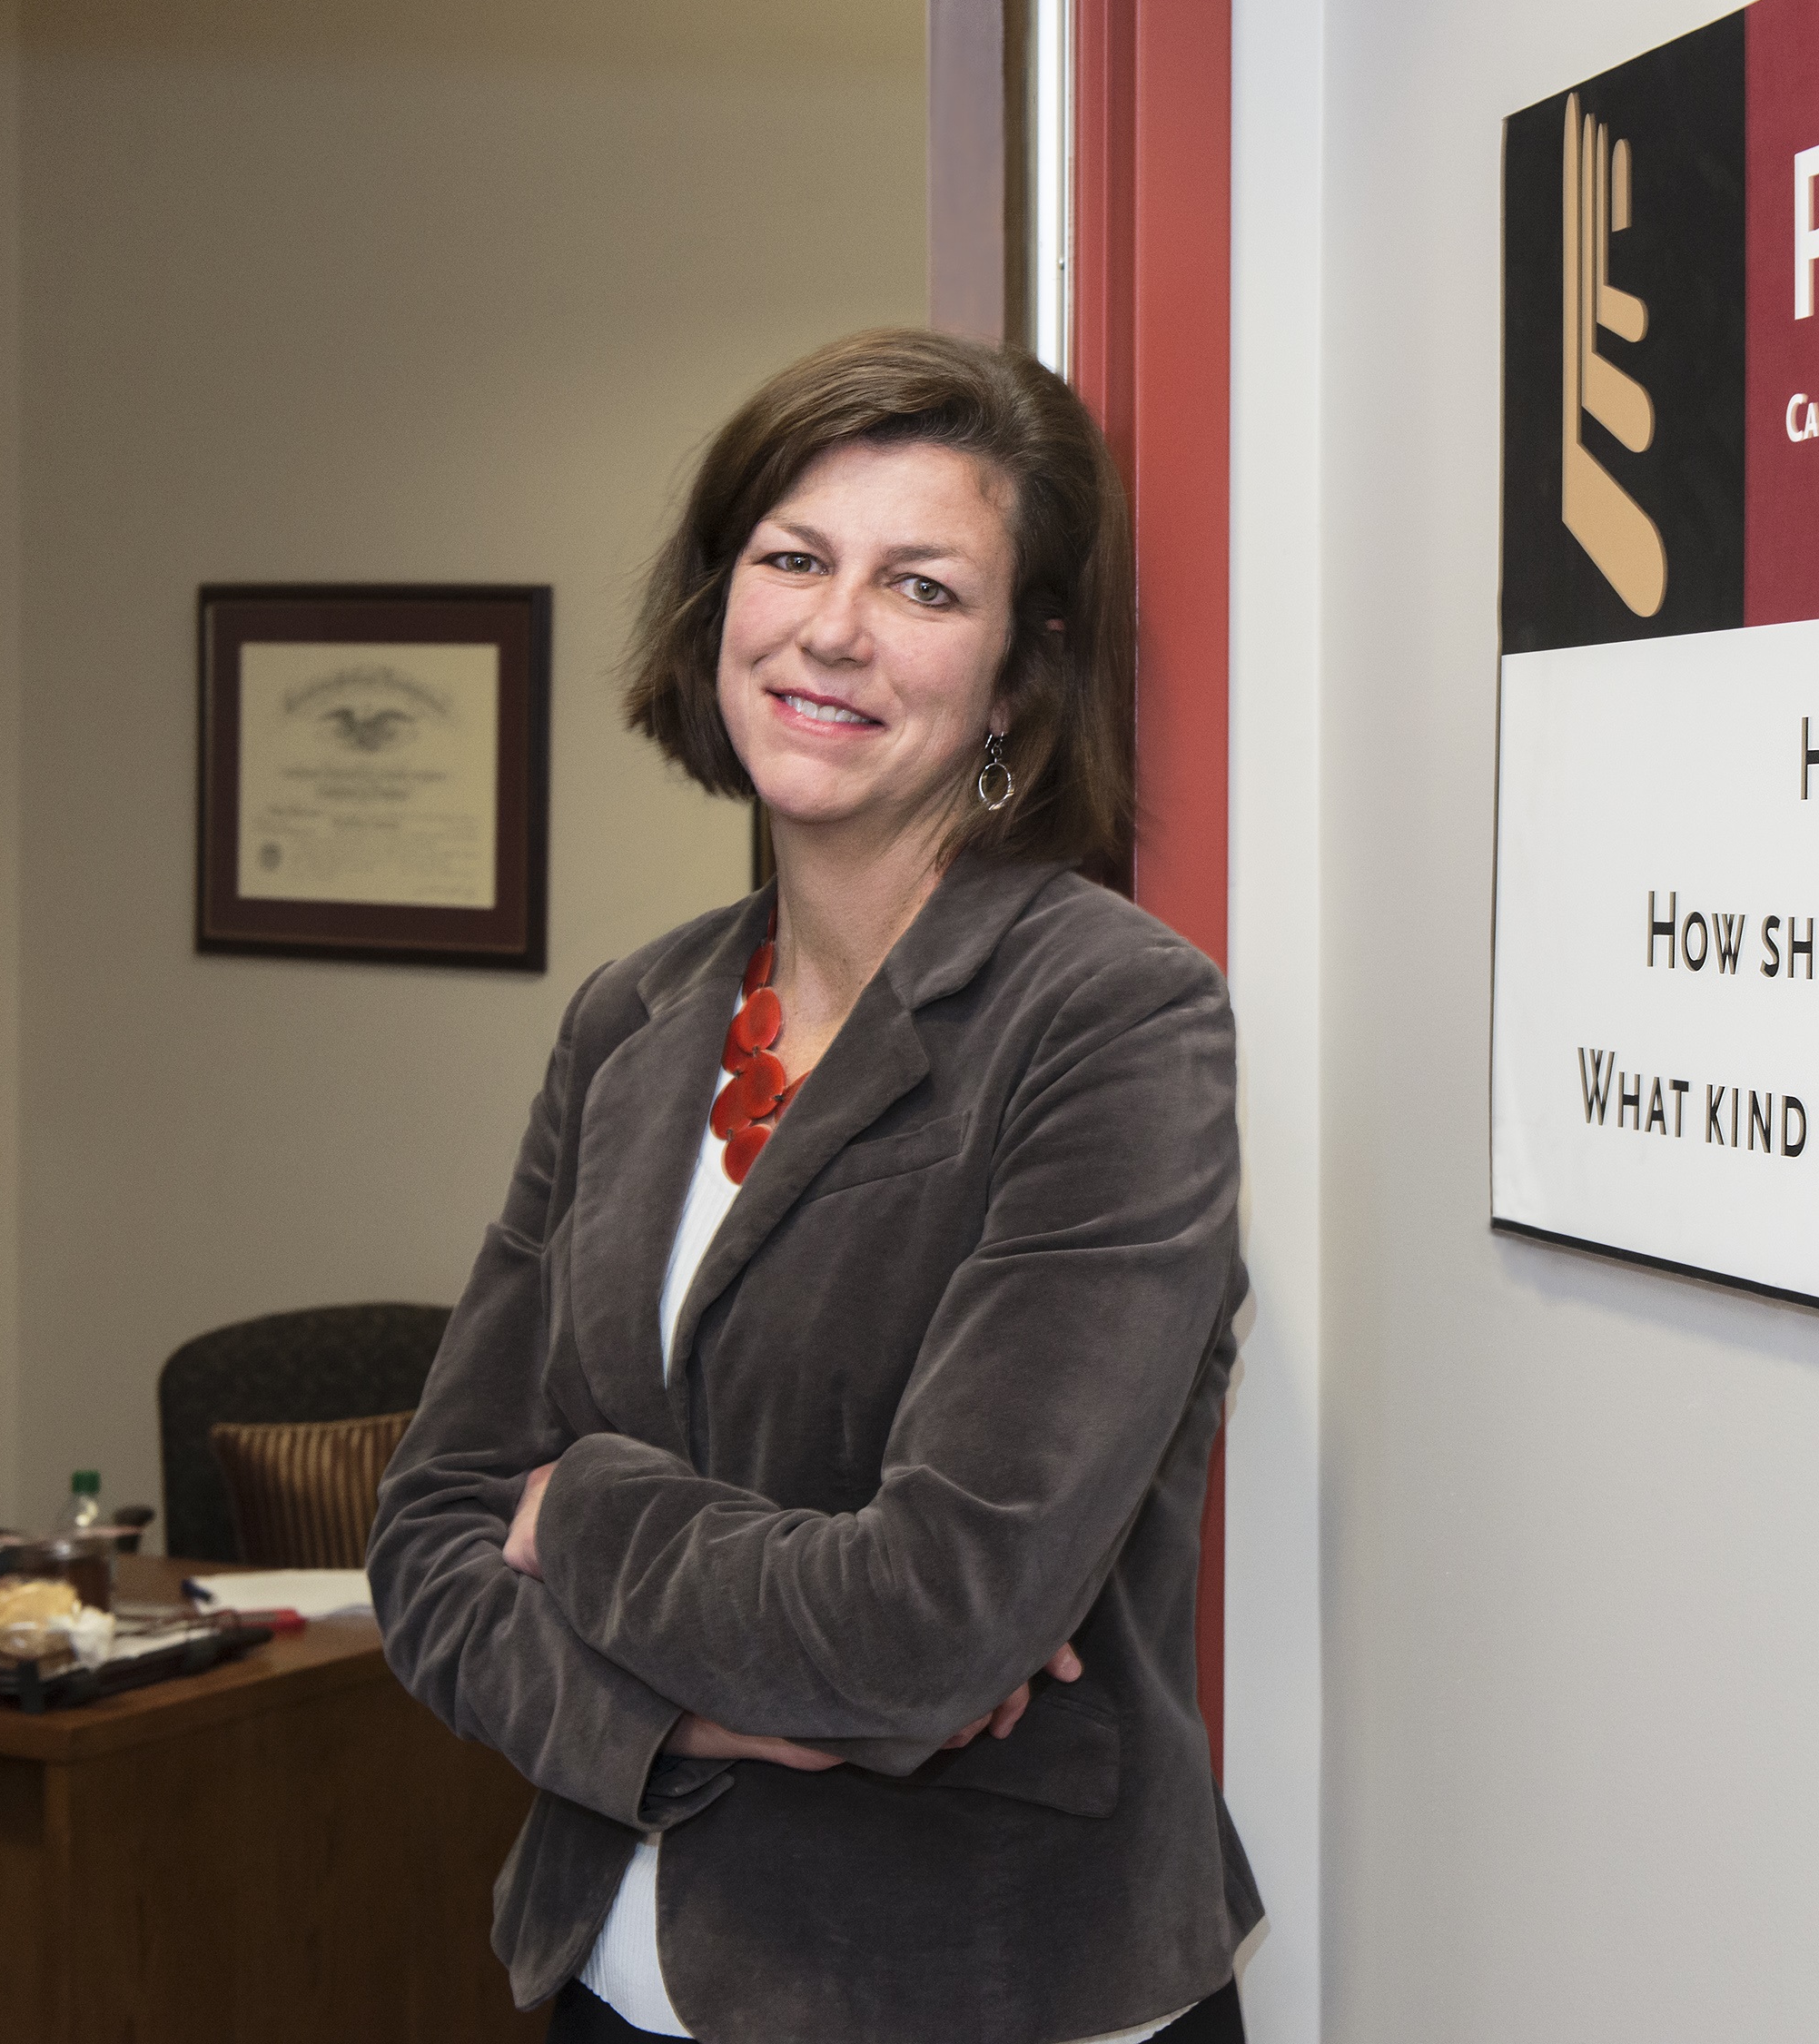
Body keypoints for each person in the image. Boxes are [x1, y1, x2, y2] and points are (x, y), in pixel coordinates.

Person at [371, 329, 1258, 2044]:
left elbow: (927, 1627)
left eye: (922, 586)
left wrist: (581, 1511)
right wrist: (677, 1721)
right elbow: (420, 1542)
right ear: (722, 608)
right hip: (611, 1984)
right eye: (793, 559)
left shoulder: (1114, 1020)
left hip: (973, 1995)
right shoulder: (634, 1018)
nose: (834, 627)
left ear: (1018, 674)